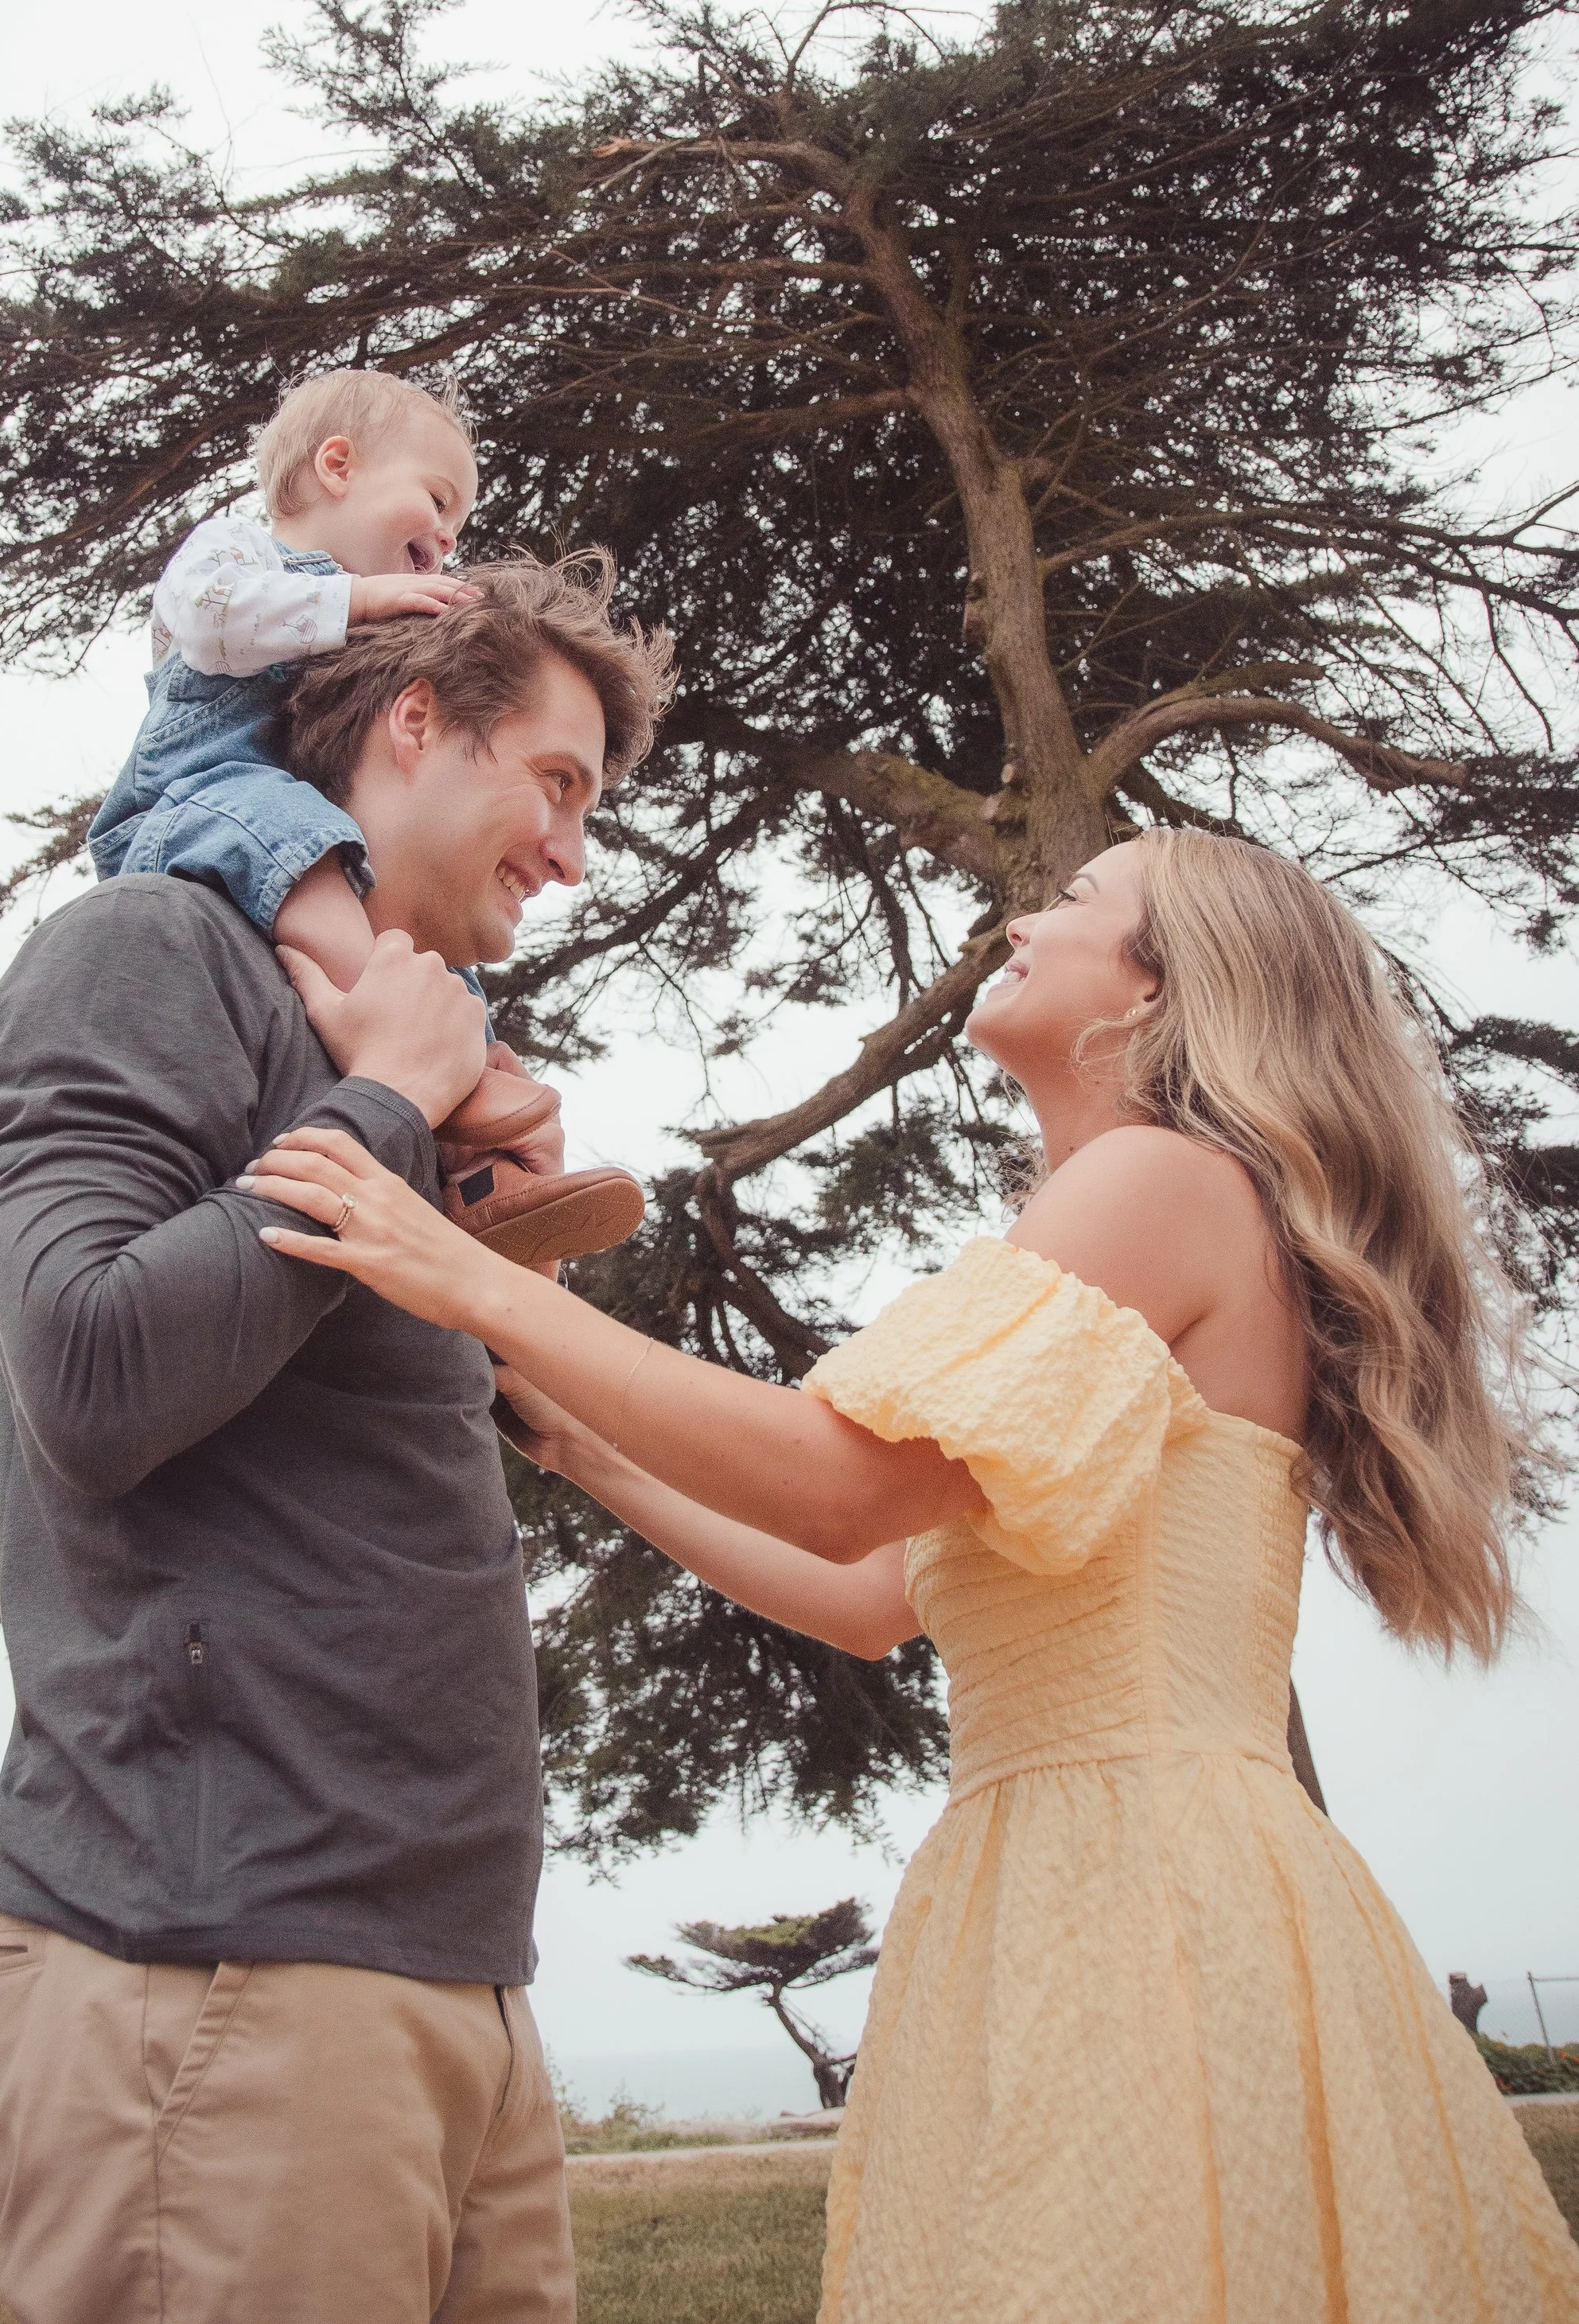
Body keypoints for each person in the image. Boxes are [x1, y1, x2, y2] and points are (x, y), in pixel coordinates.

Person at [246, 827, 1579, 2323]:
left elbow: (836, 1482)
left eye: (1076, 897)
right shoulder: (1181, 1206)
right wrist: (582, 1448)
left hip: (1131, 1894)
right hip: (1129, 1873)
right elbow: (877, 1591)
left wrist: (454, 1265)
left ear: (1153, 993)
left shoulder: (1157, 1180)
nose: (1022, 912)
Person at [0, 556, 674, 2324]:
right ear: (414, 720)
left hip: (450, 1981)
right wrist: (387, 1105)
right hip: (215, 1973)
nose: (573, 857)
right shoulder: (145, 948)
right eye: (558, 786)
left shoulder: (379, 1039)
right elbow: (93, 1374)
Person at [88, 364, 641, 1264]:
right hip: (197, 794)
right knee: (299, 842)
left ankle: (489, 1177)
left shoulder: (368, 626)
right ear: (337, 466)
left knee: (443, 975)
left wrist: (522, 1315)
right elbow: (207, 618)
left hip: (282, 817)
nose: (449, 533)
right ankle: (421, 1050)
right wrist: (355, 600)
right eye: (435, 497)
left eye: (459, 522)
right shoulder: (242, 553)